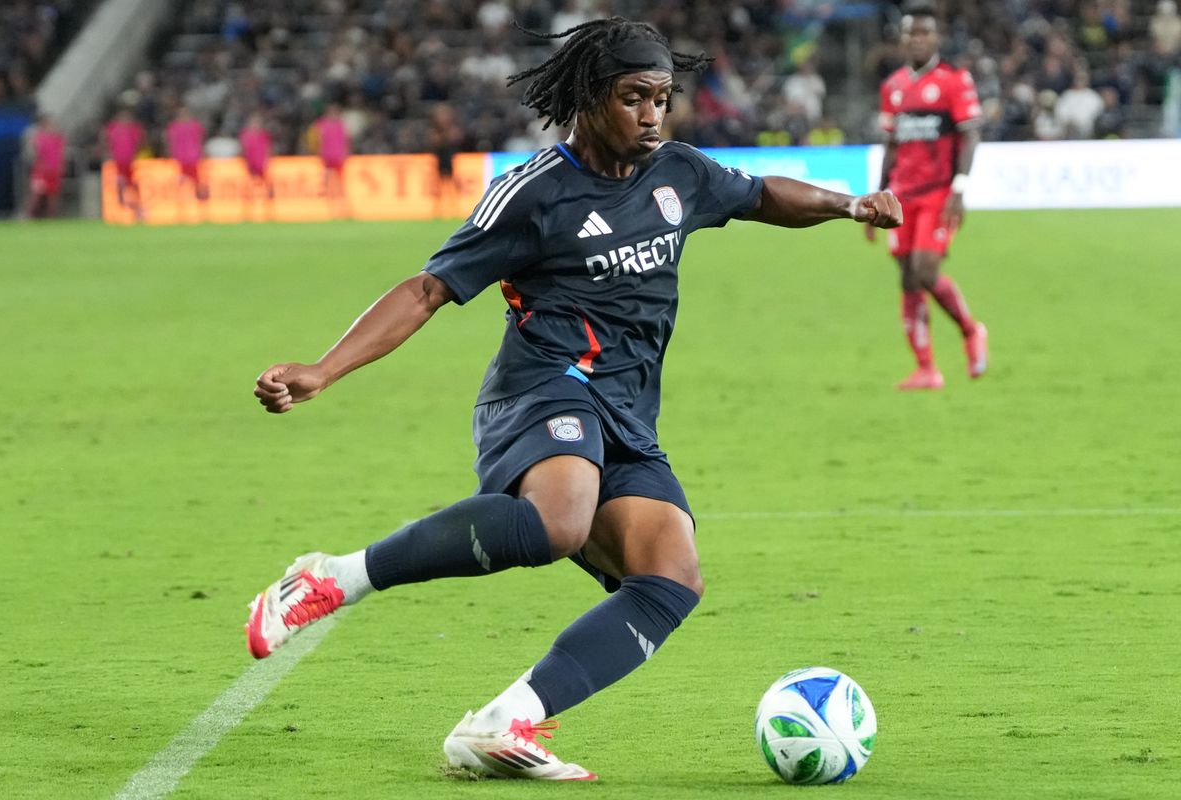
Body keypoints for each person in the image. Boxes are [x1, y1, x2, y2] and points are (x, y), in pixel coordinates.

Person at [245, 17, 901, 781]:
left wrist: (847, 205)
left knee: (670, 576)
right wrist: (325, 368)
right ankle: (333, 576)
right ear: (591, 98)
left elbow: (759, 196)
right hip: (539, 390)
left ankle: (503, 723)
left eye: (662, 97)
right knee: (559, 521)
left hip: (626, 412)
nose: (653, 114)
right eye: (634, 97)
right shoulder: (533, 195)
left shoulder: (678, 173)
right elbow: (428, 289)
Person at [868, 2, 987, 390]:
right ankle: (927, 369)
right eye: (911, 33)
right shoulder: (894, 88)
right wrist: (878, 196)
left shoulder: (954, 81)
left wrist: (960, 188)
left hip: (938, 193)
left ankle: (971, 331)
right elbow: (890, 147)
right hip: (902, 195)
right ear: (902, 40)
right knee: (907, 277)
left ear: (936, 38)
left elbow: (970, 134)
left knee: (925, 270)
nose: (918, 39)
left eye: (924, 33)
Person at [103, 108, 145, 220]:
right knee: (120, 184)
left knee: (131, 184)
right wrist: (108, 152)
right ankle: (121, 207)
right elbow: (106, 139)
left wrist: (135, 154)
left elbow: (139, 141)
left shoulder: (133, 129)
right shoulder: (112, 128)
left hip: (130, 162)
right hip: (118, 161)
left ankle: (137, 207)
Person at [165, 106, 208, 216]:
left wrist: (200, 154)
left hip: (193, 160)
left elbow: (200, 141)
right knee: (180, 186)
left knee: (197, 185)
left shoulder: (195, 126)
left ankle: (203, 209)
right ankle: (180, 210)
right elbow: (171, 142)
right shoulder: (174, 127)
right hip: (180, 161)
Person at [310, 102, 350, 217]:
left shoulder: (340, 125)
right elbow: (314, 138)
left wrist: (345, 153)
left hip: (338, 157)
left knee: (340, 184)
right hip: (327, 157)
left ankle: (343, 209)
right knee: (328, 183)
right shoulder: (321, 124)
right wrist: (317, 150)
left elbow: (345, 140)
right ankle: (330, 209)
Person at [24, 114, 66, 219]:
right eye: (48, 124)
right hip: (41, 172)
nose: (51, 126)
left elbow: (61, 154)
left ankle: (50, 217)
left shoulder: (58, 139)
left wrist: (61, 166)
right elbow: (35, 154)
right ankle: (28, 216)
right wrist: (39, 166)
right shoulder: (39, 138)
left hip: (54, 171)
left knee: (52, 196)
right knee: (36, 195)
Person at [238, 111, 274, 219]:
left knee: (267, 187)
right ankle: (247, 211)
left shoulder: (264, 135)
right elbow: (244, 149)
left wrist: (267, 160)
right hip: (251, 164)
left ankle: (269, 211)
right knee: (249, 187)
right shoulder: (245, 135)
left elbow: (268, 149)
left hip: (261, 163)